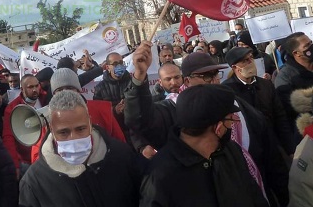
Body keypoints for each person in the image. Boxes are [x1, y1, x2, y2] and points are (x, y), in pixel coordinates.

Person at [125, 43, 290, 207]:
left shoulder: (237, 107)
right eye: (206, 76)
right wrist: (139, 76)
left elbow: (270, 158)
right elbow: (140, 121)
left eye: (216, 74)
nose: (214, 80)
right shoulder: (174, 109)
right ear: (188, 80)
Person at [140, 85, 269, 207]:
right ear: (218, 128)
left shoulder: (232, 151)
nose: (234, 123)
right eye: (231, 119)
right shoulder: (160, 176)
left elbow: (255, 197)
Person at [20, 91, 144, 207]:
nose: (73, 138)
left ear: (90, 122)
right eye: (64, 132)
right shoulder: (34, 181)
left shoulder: (122, 156)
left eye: (80, 129)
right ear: (51, 129)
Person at [30, 68, 126, 163]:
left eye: (70, 88)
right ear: (54, 94)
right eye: (60, 90)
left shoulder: (102, 110)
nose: (65, 93)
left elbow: (120, 143)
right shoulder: (46, 118)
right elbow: (37, 157)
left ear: (78, 90)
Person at [224, 47, 294, 156]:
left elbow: (280, 117)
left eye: (251, 58)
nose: (250, 62)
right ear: (234, 67)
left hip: (273, 146)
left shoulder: (266, 85)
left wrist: (290, 149)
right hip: (249, 151)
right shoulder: (228, 91)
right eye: (245, 61)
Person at [3, 74, 48, 178]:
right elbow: (8, 137)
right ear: (22, 89)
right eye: (30, 87)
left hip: (46, 156)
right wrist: (15, 164)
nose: (35, 89)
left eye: (37, 86)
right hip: (26, 161)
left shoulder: (46, 99)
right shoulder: (12, 109)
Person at [275, 32, 313, 140]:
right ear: (296, 53)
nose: (311, 46)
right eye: (307, 46)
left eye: (311, 42)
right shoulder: (285, 78)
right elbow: (290, 110)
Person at [93, 52, 132, 143]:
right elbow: (98, 114)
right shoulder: (100, 88)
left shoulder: (132, 82)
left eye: (121, 63)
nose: (119, 66)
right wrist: (114, 110)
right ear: (107, 67)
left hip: (134, 132)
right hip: (114, 135)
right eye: (115, 64)